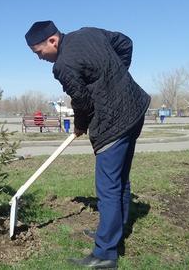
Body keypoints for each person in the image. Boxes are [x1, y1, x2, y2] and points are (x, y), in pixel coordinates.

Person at [25, 21, 150, 269]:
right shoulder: (89, 33)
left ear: (53, 41)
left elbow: (82, 101)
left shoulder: (63, 65)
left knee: (108, 187)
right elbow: (126, 43)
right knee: (121, 178)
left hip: (113, 122)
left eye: (39, 53)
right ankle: (114, 231)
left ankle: (105, 254)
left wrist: (81, 124)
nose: (40, 59)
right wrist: (117, 78)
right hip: (136, 109)